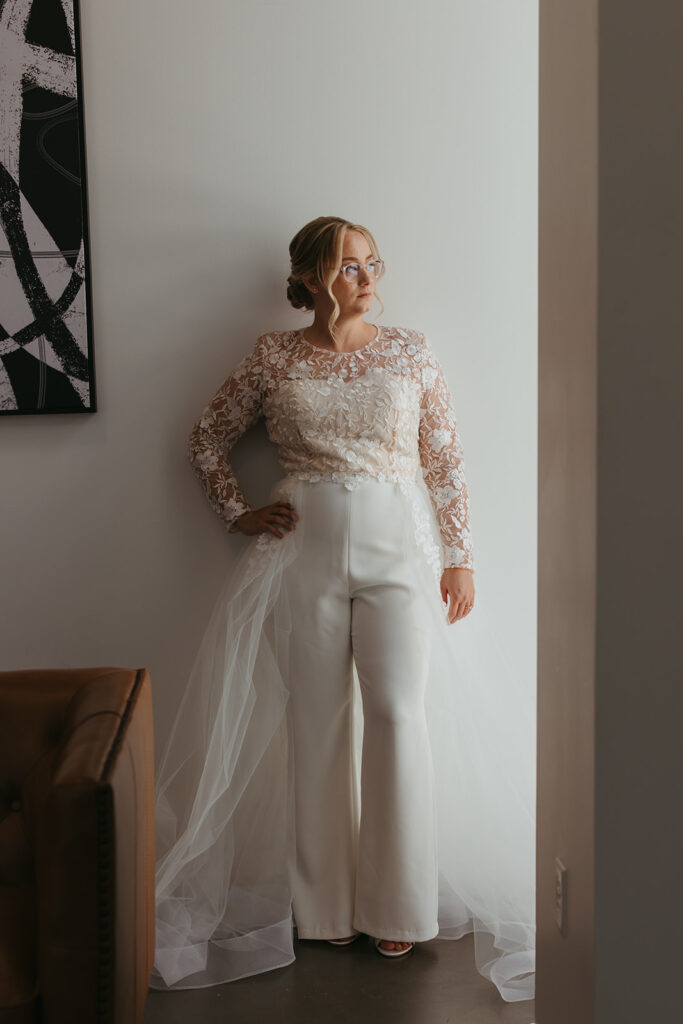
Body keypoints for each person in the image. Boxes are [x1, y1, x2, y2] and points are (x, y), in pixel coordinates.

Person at [151, 216, 535, 1001]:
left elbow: (445, 457)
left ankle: (399, 904)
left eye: (369, 262)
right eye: (346, 265)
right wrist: (238, 511)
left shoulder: (410, 349)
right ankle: (322, 906)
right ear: (310, 277)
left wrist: (459, 556)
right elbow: (203, 439)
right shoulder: (272, 355)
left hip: (401, 550)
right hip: (302, 551)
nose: (364, 276)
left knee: (397, 715)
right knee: (316, 720)